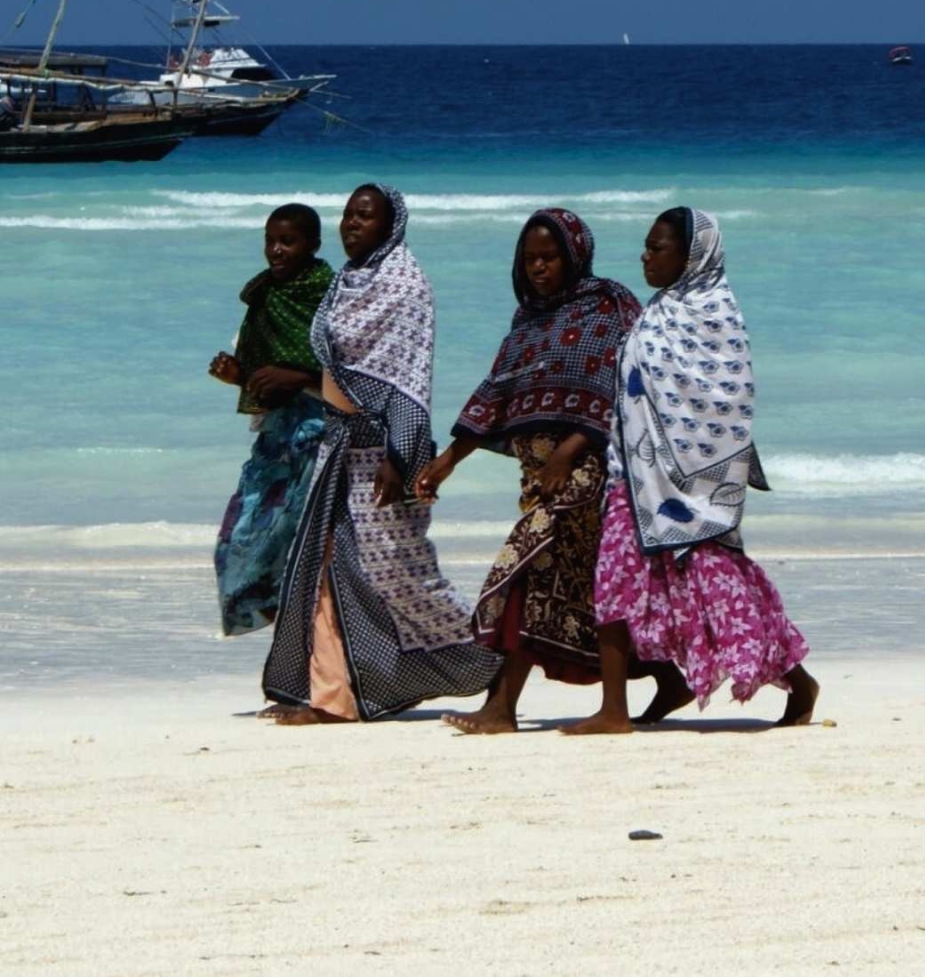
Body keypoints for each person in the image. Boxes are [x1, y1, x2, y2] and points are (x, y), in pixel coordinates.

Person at [562, 207, 819, 734]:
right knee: (611, 582)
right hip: (632, 474)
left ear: (691, 255)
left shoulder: (713, 314)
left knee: (723, 592)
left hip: (693, 486)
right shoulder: (656, 311)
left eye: (658, 248)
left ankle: (799, 680)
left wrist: (688, 465)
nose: (645, 256)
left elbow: (725, 402)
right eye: (646, 246)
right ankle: (614, 710)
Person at [416, 207, 668, 734]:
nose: (539, 267)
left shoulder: (610, 305)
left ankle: (500, 709)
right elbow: (497, 392)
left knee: (521, 569)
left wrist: (567, 451)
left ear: (575, 254)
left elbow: (618, 387)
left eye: (550, 257)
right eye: (529, 258)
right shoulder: (528, 317)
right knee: (572, 591)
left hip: (584, 472)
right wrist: (447, 461)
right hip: (535, 478)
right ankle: (666, 675)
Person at [261, 184, 502, 724]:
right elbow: (333, 369)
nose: (352, 224)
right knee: (326, 566)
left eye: (365, 217)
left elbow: (410, 381)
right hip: (338, 444)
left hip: (386, 452)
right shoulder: (347, 282)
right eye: (348, 214)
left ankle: (494, 658)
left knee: (397, 577)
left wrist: (399, 456)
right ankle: (332, 695)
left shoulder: (405, 284)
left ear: (389, 225)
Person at [209, 203, 334, 637]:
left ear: (314, 245)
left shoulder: (331, 296)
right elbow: (259, 375)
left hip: (323, 440)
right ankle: (289, 640)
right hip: (274, 444)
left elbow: (356, 375)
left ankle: (307, 658)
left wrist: (299, 377)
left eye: (288, 241)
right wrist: (237, 376)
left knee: (302, 552)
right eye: (270, 241)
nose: (276, 251)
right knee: (237, 543)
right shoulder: (263, 295)